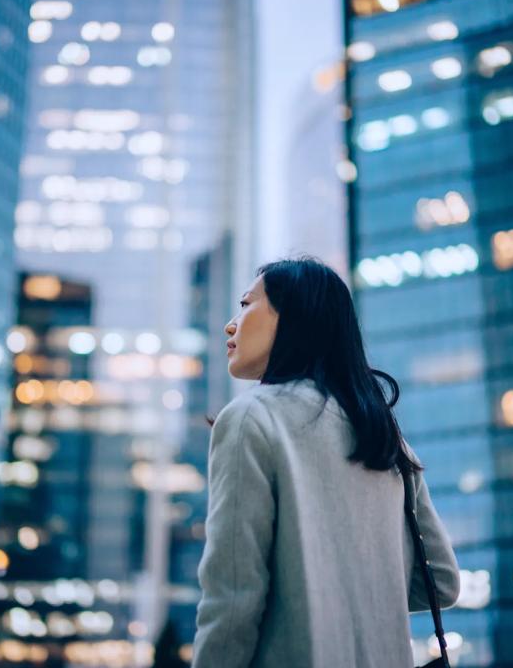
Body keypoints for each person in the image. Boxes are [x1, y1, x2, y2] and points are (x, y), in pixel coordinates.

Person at [191, 257, 460, 667]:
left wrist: (312, 592)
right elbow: (439, 583)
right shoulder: (383, 435)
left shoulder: (252, 418)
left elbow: (232, 598)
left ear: (295, 316)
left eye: (246, 304)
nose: (231, 325)